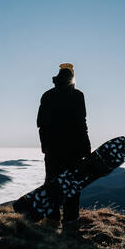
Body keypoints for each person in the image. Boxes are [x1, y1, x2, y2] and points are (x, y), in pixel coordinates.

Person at [37, 63, 91, 223]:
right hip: (73, 149)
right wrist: (86, 149)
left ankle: (52, 217)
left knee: (52, 181)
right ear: (72, 77)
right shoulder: (77, 95)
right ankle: (71, 218)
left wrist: (45, 146)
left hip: (52, 148)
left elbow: (41, 123)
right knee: (72, 184)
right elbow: (81, 123)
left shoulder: (47, 95)